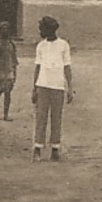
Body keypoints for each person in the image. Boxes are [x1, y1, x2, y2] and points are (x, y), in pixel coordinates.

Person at [32, 15, 74, 161]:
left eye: (42, 29)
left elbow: (67, 67)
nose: (40, 32)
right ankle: (37, 148)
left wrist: (70, 87)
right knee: (41, 118)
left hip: (58, 87)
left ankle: (55, 148)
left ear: (50, 30)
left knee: (56, 118)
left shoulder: (64, 45)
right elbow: (37, 67)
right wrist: (34, 89)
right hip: (42, 86)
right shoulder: (40, 46)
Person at [0, 21, 18, 120]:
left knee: (8, 92)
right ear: (0, 30)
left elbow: (14, 59)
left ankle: (6, 114)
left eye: (7, 29)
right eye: (3, 29)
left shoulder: (11, 44)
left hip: (9, 70)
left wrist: (15, 72)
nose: (5, 30)